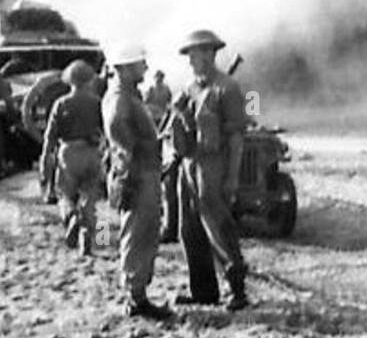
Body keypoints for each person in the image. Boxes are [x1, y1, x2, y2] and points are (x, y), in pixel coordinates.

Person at [172, 29, 249, 311]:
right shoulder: (191, 88)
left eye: (196, 53)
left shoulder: (226, 88)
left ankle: (236, 288)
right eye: (190, 54)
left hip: (213, 165)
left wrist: (231, 177)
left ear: (209, 53)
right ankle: (203, 291)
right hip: (189, 164)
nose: (191, 60)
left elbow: (236, 137)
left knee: (218, 227)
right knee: (189, 229)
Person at [103, 42, 172, 321]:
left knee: (146, 232)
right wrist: (133, 167)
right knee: (137, 233)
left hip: (143, 171)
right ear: (125, 68)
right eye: (140, 63)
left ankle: (139, 292)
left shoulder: (129, 96)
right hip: (137, 174)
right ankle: (135, 296)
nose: (145, 67)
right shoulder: (120, 100)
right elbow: (122, 139)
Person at [40, 59, 104, 255]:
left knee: (65, 194)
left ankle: (71, 217)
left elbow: (50, 136)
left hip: (68, 152)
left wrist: (45, 159)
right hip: (91, 151)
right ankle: (88, 235)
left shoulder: (61, 103)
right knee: (89, 196)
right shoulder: (97, 102)